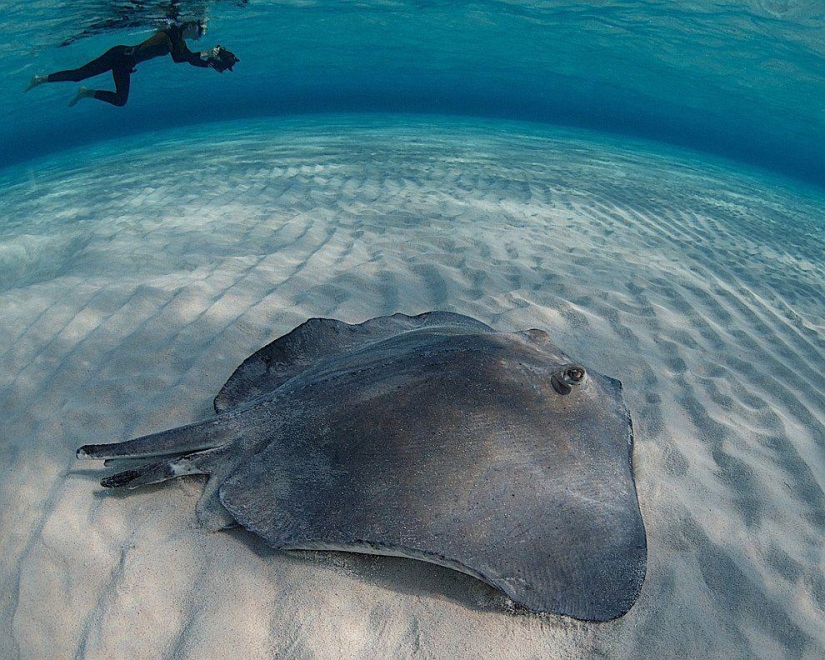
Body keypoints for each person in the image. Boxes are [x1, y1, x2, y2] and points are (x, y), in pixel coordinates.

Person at [24, 19, 239, 107]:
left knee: (120, 100)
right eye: (200, 32)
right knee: (78, 73)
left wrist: (209, 62)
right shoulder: (168, 36)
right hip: (118, 56)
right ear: (191, 26)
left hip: (125, 65)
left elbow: (186, 60)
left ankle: (85, 92)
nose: (200, 36)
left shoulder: (179, 42)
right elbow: (179, 57)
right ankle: (40, 79)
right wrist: (205, 53)